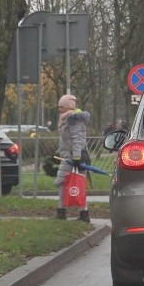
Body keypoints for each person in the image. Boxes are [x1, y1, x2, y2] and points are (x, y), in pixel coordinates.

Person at [54, 93, 91, 222]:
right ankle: (81, 213)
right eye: (58, 107)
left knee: (66, 183)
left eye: (61, 106)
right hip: (67, 157)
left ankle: (63, 212)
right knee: (68, 183)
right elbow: (65, 141)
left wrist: (76, 158)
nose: (59, 109)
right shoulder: (66, 119)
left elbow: (77, 140)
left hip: (73, 158)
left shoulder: (73, 120)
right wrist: (59, 153)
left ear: (68, 107)